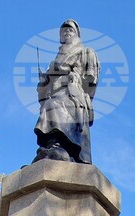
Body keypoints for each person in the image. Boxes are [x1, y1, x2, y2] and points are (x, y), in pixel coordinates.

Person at [34, 19, 99, 164]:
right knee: (49, 105)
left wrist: (76, 85)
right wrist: (43, 80)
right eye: (64, 31)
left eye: (70, 30)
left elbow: (90, 81)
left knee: (55, 105)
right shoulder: (54, 63)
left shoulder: (86, 52)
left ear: (77, 34)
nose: (67, 32)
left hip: (73, 94)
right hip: (55, 93)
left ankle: (61, 146)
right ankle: (52, 145)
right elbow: (45, 87)